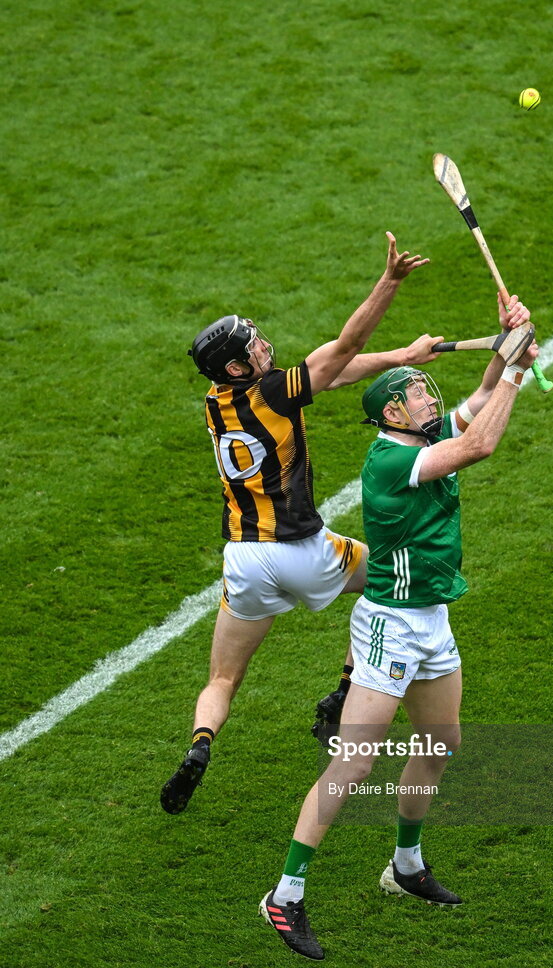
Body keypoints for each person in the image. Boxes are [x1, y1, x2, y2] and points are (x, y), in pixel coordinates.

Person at [259, 293, 538, 960]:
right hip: (388, 625)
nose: (427, 398)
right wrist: (520, 370)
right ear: (391, 413)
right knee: (354, 762)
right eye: (417, 393)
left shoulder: (424, 435)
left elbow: (478, 397)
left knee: (440, 743)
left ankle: (405, 867)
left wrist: (509, 343)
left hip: (431, 620)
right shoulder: (390, 461)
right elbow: (481, 441)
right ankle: (284, 895)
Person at [160, 232, 442, 814]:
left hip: (243, 560)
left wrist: (401, 357)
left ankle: (199, 747)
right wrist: (389, 283)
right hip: (303, 552)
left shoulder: (218, 400)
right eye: (253, 346)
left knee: (222, 680)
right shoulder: (270, 391)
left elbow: (330, 372)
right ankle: (342, 693)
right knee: (391, 575)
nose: (264, 346)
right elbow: (342, 346)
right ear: (238, 367)